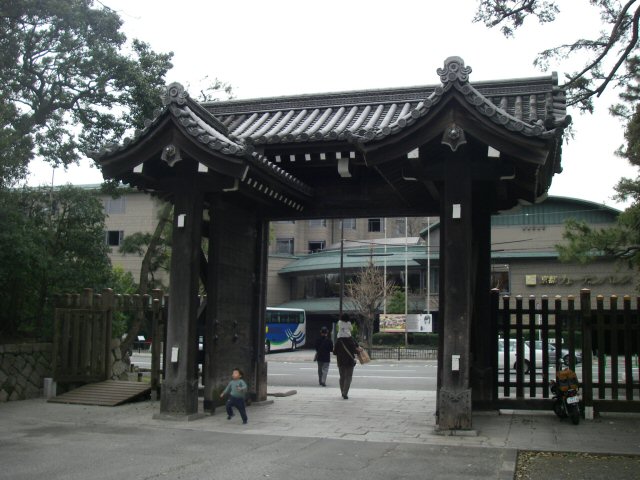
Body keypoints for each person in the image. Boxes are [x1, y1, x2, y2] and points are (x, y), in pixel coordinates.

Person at [333, 316, 362, 399]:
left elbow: (334, 352)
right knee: (348, 377)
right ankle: (345, 393)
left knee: (342, 377)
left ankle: (342, 391)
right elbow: (354, 350)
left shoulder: (339, 340)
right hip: (349, 361)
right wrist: (359, 351)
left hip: (340, 361)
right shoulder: (350, 339)